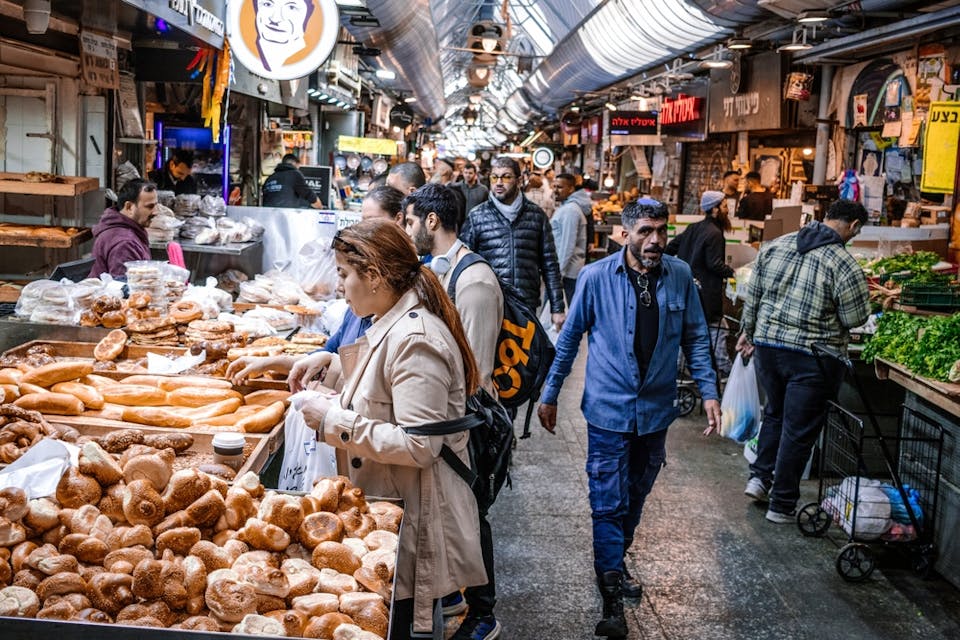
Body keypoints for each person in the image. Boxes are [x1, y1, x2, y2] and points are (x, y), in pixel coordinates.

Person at [262, 219, 487, 640]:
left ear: (374, 275)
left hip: (415, 522)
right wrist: (329, 365)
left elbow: (421, 444)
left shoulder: (415, 339)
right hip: (391, 514)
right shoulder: (389, 323)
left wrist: (332, 422)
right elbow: (382, 393)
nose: (341, 286)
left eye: (344, 274)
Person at [537, 198, 721, 640]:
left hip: (655, 413)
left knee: (634, 499)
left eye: (660, 230)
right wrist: (550, 393)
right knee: (608, 504)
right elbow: (569, 339)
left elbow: (696, 338)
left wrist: (710, 391)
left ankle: (614, 565)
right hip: (607, 411)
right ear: (626, 233)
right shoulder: (596, 277)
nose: (655, 240)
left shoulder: (679, 276)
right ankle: (611, 602)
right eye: (645, 231)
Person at [402, 184, 504, 640]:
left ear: (430, 222)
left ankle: (485, 615)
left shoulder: (475, 281)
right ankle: (453, 595)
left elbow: (474, 372)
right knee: (451, 513)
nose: (406, 231)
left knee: (473, 513)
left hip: (472, 423)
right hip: (450, 417)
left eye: (408, 221)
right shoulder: (438, 270)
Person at [737, 199, 870, 524]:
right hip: (812, 357)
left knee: (776, 415)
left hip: (768, 348)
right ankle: (781, 505)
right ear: (853, 226)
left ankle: (759, 478)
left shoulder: (776, 246)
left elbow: (753, 295)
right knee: (798, 430)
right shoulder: (842, 262)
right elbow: (856, 317)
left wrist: (748, 332)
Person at [459, 156, 565, 326]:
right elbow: (462, 263)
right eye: (494, 177)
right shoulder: (477, 216)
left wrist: (557, 308)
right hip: (487, 304)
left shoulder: (536, 216)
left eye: (506, 177)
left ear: (519, 180)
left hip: (526, 305)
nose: (499, 182)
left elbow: (550, 264)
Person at [665, 190, 735, 376]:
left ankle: (680, 371)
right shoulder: (715, 233)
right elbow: (714, 264)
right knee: (717, 332)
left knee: (688, 332)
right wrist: (733, 272)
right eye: (725, 206)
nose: (727, 210)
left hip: (688, 292)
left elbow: (669, 248)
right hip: (707, 297)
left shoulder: (693, 228)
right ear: (715, 208)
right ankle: (723, 370)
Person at [88, 179, 158, 279]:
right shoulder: (125, 243)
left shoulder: (126, 232)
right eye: (150, 206)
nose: (156, 212)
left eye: (156, 205)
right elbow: (125, 289)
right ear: (129, 207)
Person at [551, 173, 588, 305]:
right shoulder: (566, 207)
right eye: (554, 186)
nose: (555, 190)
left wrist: (558, 274)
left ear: (571, 189)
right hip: (565, 272)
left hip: (568, 274)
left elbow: (567, 245)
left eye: (560, 187)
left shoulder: (570, 211)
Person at [254, 0, 313, 72]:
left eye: (291, 7)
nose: (275, 19)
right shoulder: (245, 49)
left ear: (308, 14)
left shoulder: (305, 60)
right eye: (268, 4)